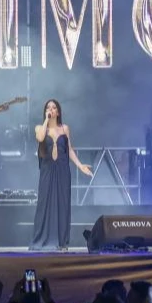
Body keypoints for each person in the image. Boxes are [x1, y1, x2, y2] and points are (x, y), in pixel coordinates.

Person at [31, 99, 92, 250]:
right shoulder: (40, 127)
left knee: (62, 204)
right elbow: (40, 138)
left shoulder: (65, 128)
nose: (51, 110)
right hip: (47, 169)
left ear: (58, 112)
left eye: (54, 108)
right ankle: (42, 239)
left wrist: (80, 165)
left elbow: (69, 149)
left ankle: (61, 241)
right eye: (48, 108)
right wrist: (46, 120)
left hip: (63, 169)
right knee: (44, 203)